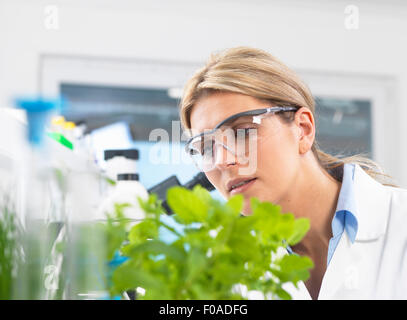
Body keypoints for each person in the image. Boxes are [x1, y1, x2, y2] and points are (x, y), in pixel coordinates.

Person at [179, 46, 407, 300]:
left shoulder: (400, 222)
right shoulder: (223, 265)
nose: (222, 160)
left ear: (303, 129)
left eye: (242, 132)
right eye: (206, 147)